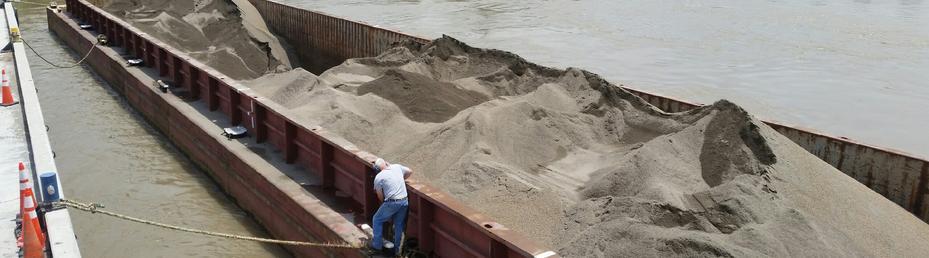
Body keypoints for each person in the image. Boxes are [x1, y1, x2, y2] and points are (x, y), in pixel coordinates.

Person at [370, 158, 413, 256]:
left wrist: (385, 205)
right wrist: (401, 178)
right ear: (386, 163)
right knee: (399, 225)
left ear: (377, 169)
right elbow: (410, 171)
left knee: (377, 219)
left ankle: (377, 246)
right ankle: (397, 251)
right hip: (404, 201)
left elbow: (380, 195)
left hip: (391, 202)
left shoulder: (379, 177)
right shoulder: (397, 167)